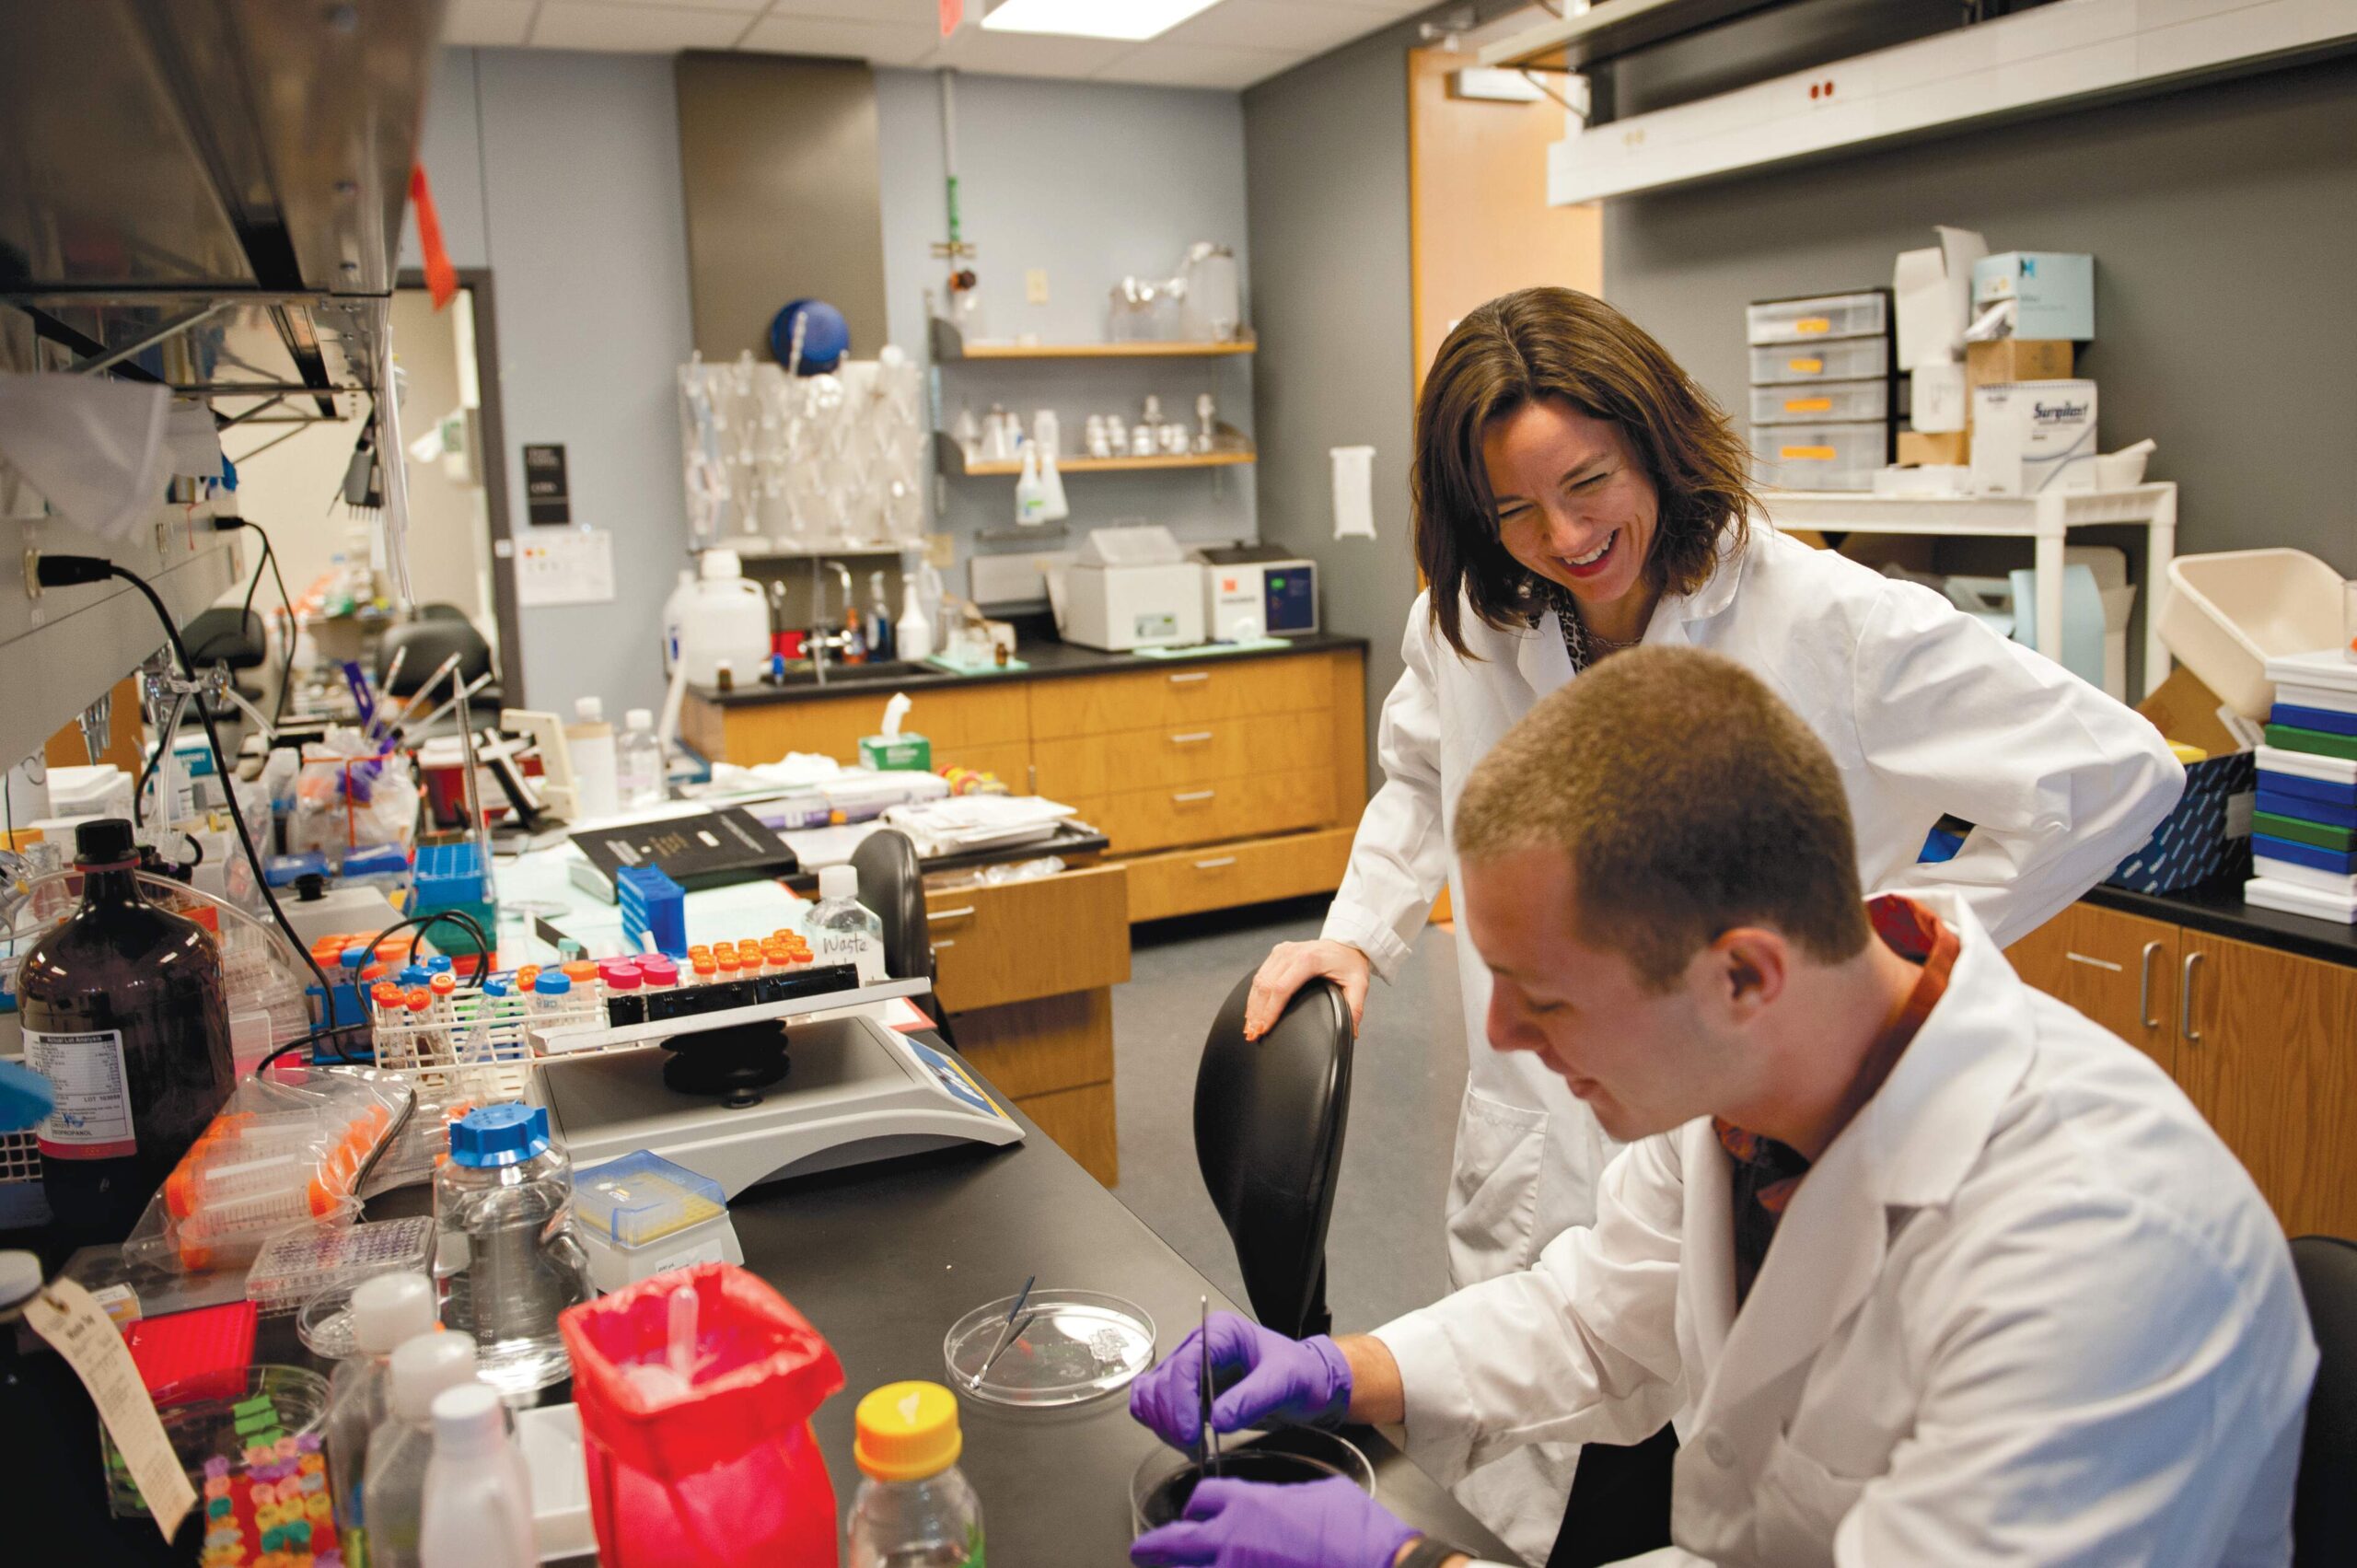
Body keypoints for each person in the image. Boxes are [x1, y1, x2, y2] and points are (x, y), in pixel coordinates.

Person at [1240, 288, 2185, 1553]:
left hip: (1754, 1066)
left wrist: (1873, 937)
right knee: (1609, 1427)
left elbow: (2115, 768)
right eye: (1514, 508)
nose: (1562, 534)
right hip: (1630, 1136)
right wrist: (1358, 936)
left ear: (1657, 444)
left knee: (1741, 1428)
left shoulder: (1824, 617)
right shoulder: (1475, 618)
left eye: (1589, 484)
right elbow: (1421, 781)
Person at [1133, 647, 2314, 1568]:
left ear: (1742, 974)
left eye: (1543, 999)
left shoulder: (2099, 1252)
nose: (1498, 1036)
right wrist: (1342, 1370)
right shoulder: (1749, 1087)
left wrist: (1407, 1558)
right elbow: (1599, 1318)